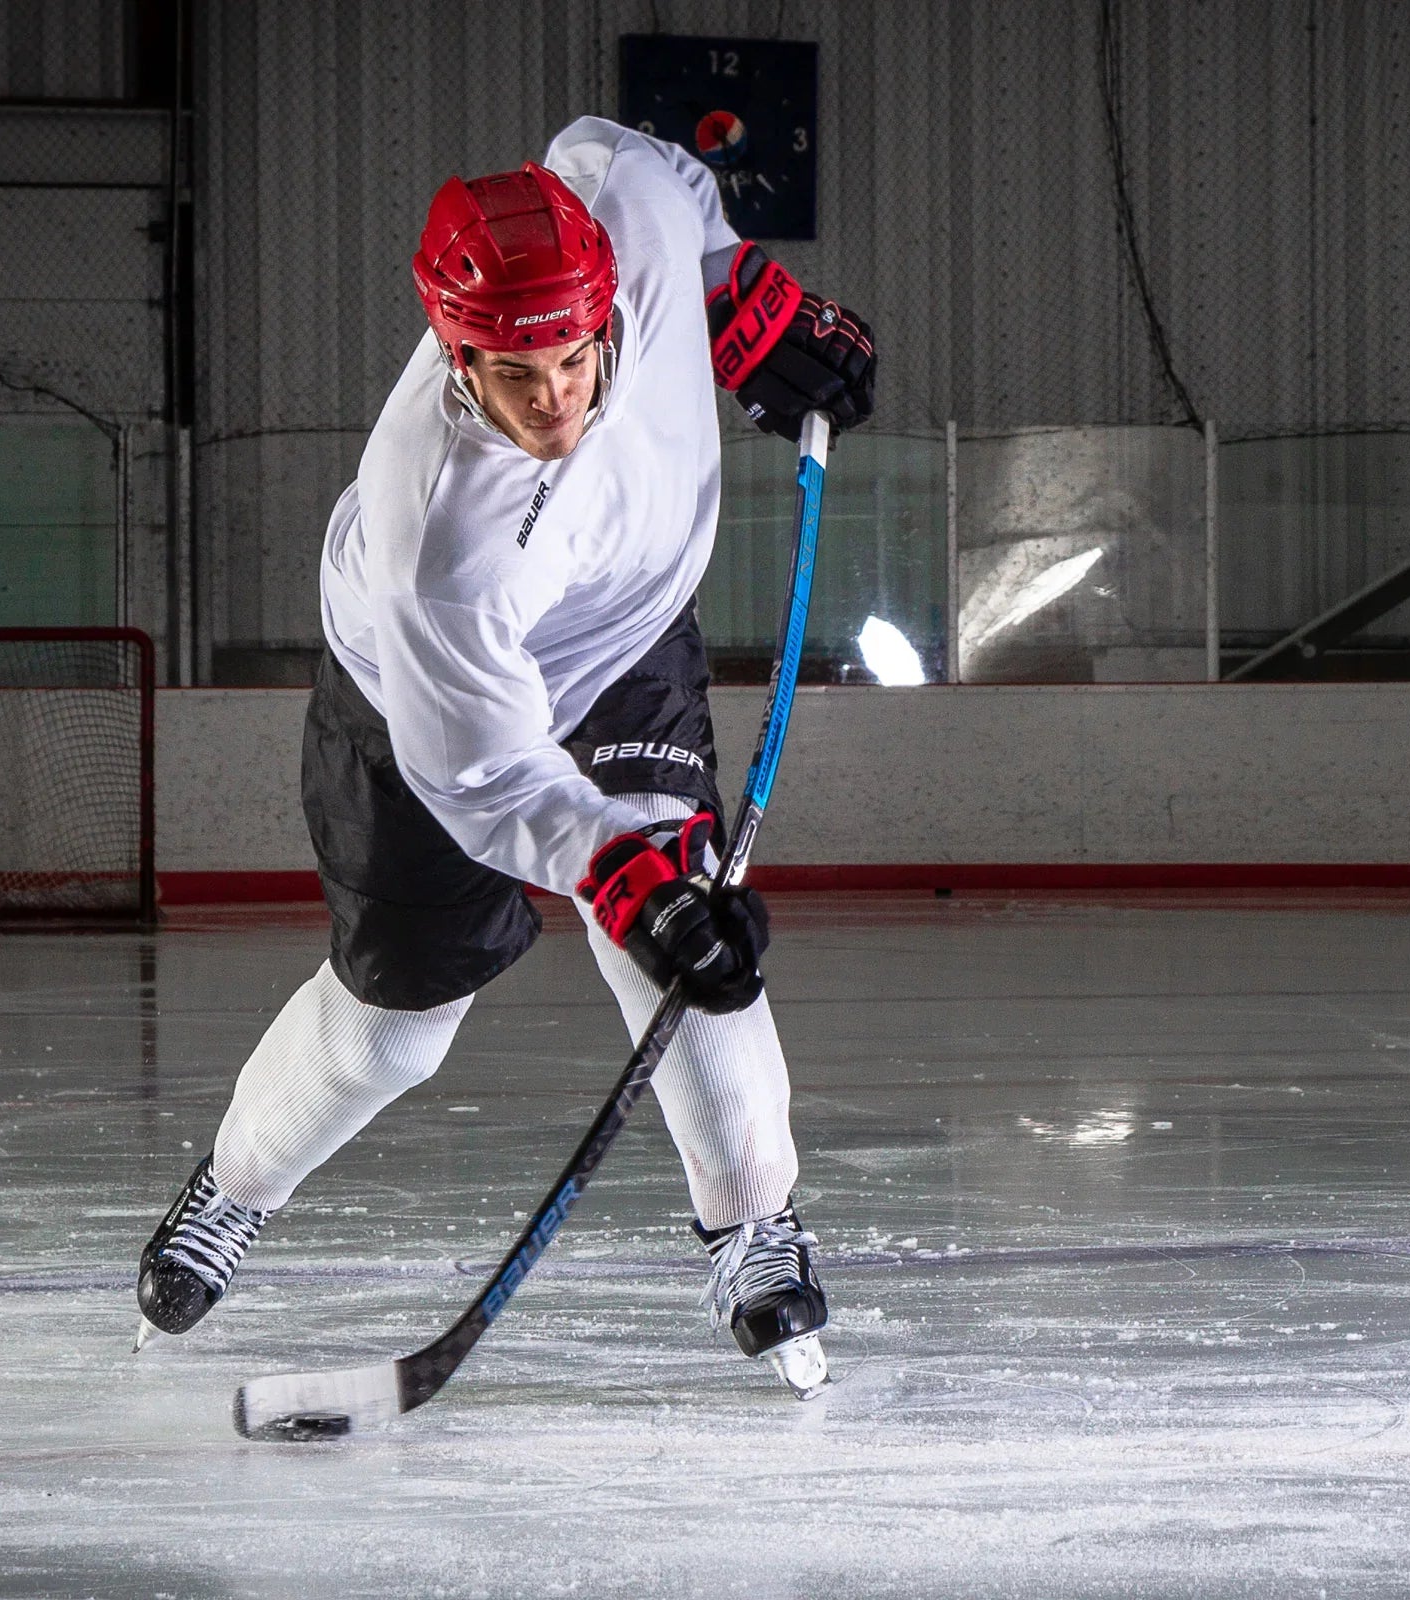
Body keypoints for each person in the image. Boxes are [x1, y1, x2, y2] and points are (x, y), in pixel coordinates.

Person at [135, 115, 875, 1399]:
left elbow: (645, 162)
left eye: (575, 361)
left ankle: (754, 1221)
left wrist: (743, 293)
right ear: (452, 349)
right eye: (507, 373)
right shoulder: (439, 534)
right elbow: (485, 773)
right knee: (394, 1033)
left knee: (688, 962)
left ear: (603, 306)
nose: (553, 401)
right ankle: (236, 1184)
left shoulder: (625, 204)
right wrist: (615, 875)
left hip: (629, 640)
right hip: (421, 702)